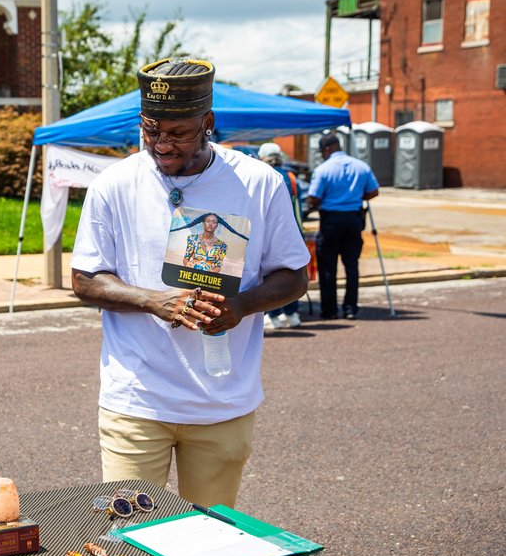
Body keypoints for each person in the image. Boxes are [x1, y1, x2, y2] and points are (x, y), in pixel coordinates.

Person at [70, 58, 309, 507]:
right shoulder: (114, 185)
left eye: (177, 133)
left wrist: (240, 307)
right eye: (150, 129)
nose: (161, 144)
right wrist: (153, 301)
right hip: (136, 402)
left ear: (208, 123)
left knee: (210, 542)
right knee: (130, 543)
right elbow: (84, 280)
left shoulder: (259, 183)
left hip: (221, 402)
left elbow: (294, 276)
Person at [307, 133, 380, 320]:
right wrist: (355, 198)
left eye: (322, 152)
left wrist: (320, 202)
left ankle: (329, 310)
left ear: (328, 149)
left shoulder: (323, 169)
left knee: (328, 267)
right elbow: (373, 191)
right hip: (354, 219)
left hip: (331, 220)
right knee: (351, 266)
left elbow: (314, 197)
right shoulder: (361, 166)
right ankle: (350, 308)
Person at [258, 143, 304, 329]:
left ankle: (272, 315)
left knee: (268, 277)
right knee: (291, 273)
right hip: (292, 232)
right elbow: (299, 207)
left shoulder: (262, 176)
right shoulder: (291, 177)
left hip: (268, 233)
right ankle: (292, 314)